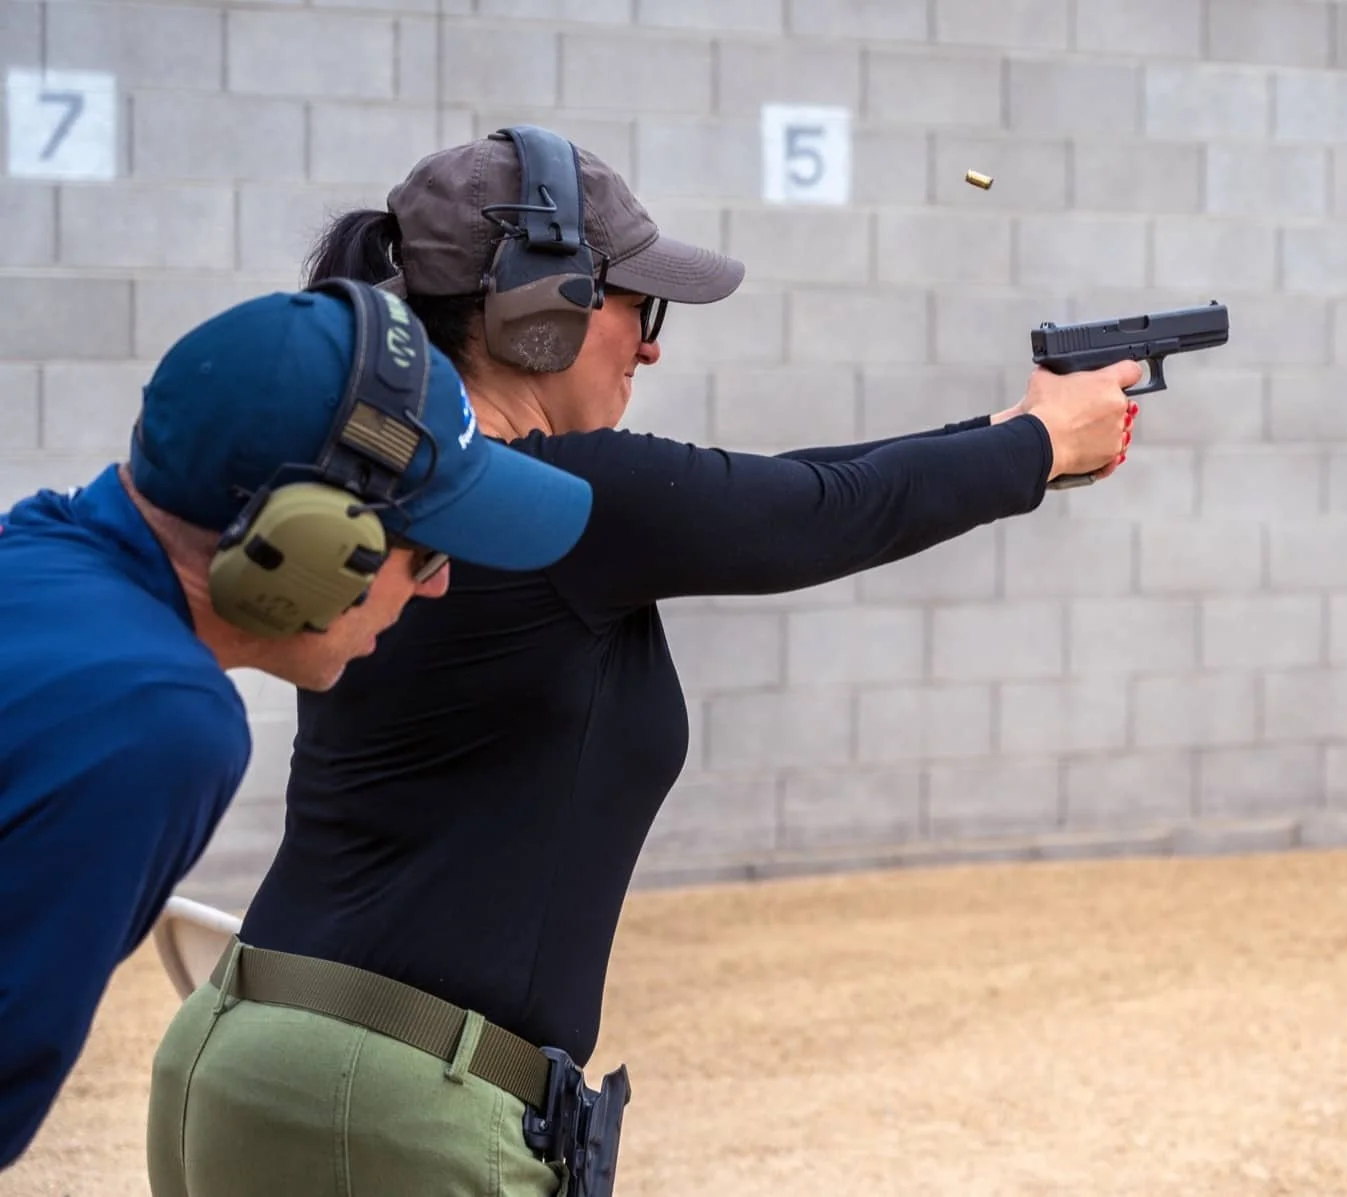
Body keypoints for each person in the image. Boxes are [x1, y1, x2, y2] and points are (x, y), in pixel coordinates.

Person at [143, 126, 1144, 1197]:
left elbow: (781, 487)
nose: (652, 347)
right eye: (639, 309)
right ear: (541, 311)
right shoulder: (568, 496)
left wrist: (1016, 431)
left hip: (242, 1048)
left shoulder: (409, 480)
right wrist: (1038, 447)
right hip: (387, 1108)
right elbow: (811, 514)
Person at [0, 278, 594, 1170]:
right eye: (425, 546)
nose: (437, 584)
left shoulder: (34, 553)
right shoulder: (159, 721)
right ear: (311, 541)